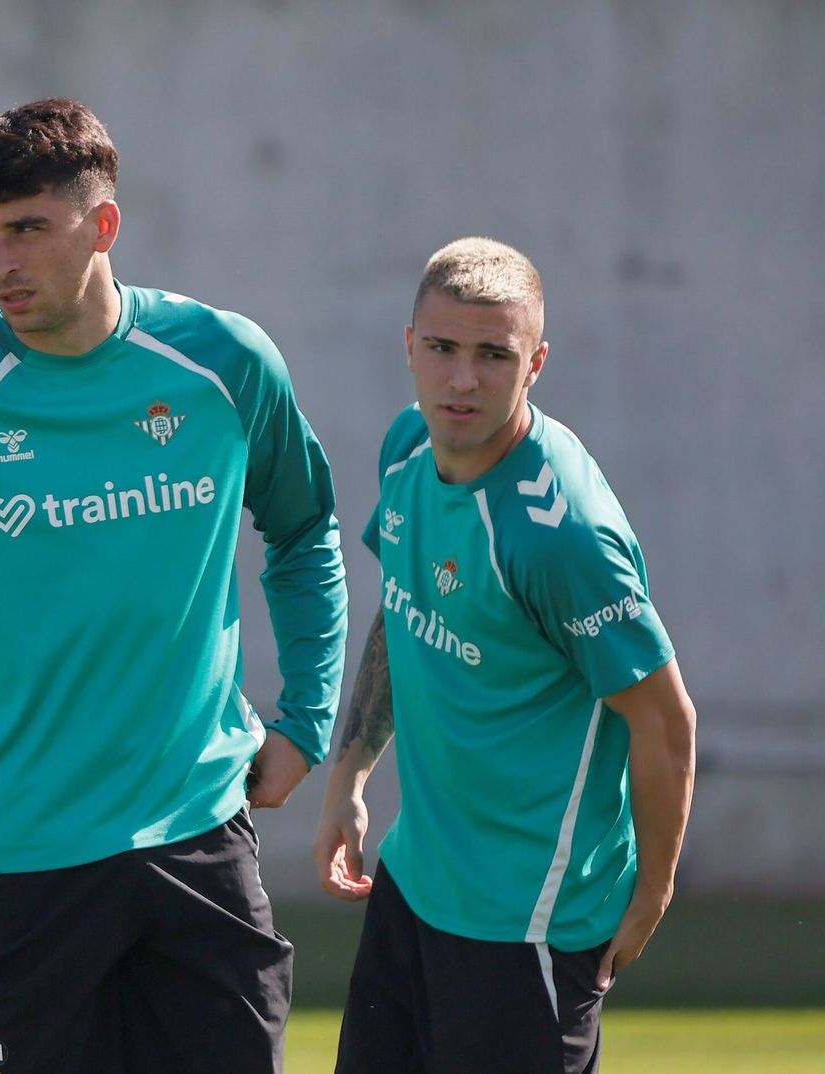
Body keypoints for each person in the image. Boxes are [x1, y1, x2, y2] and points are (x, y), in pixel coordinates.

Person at [0, 97, 348, 1074]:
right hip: (23, 862)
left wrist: (304, 716)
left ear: (102, 225)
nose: (0, 264)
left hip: (200, 836)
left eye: (27, 231)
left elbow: (304, 529)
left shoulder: (220, 362)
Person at [312, 237, 697, 1073]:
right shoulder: (407, 449)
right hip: (415, 890)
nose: (461, 380)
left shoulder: (561, 538)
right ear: (409, 347)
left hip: (528, 924)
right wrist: (349, 778)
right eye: (444, 349)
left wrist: (655, 895)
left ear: (536, 363)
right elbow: (401, 613)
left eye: (494, 355)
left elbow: (664, 721)